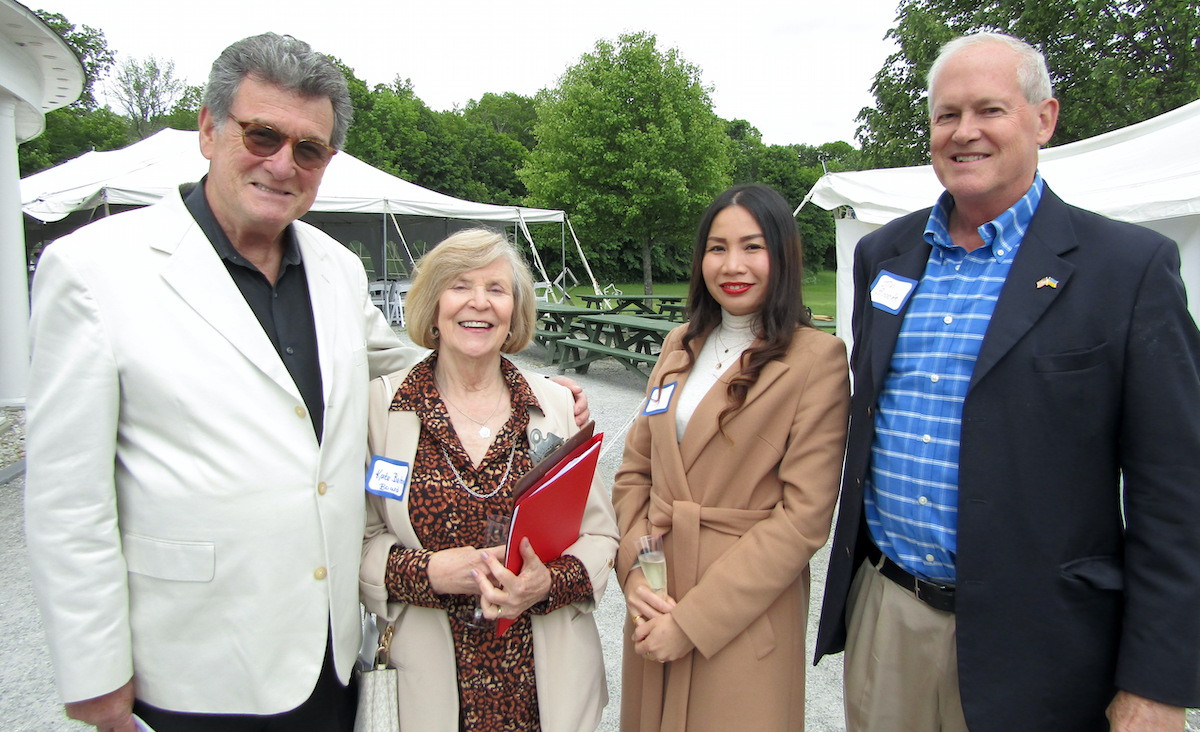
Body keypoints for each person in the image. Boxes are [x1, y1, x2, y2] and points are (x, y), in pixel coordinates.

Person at [24, 33, 587, 732]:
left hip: (328, 655)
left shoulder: (333, 266)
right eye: (261, 135)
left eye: (309, 149)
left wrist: (532, 384)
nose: (283, 163)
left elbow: (399, 357)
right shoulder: (96, 269)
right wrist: (94, 675)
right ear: (207, 128)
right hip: (193, 662)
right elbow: (65, 501)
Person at [814, 32, 1200, 732]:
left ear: (1043, 118)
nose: (964, 133)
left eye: (989, 110)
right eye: (945, 115)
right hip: (888, 614)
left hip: (1039, 640)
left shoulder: (1127, 269)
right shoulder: (884, 256)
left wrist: (1155, 681)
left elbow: (1176, 492)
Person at [358, 228, 618, 731]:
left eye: (497, 289)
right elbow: (357, 539)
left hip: (543, 689)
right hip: (426, 686)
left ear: (514, 313)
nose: (479, 302)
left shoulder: (556, 407)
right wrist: (431, 572)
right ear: (433, 304)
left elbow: (601, 533)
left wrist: (546, 584)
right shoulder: (379, 408)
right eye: (460, 285)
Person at [612, 184, 850, 730]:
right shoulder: (680, 345)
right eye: (717, 248)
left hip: (737, 615)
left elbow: (803, 519)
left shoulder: (818, 360)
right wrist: (637, 575)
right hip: (657, 593)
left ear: (783, 254)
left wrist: (693, 622)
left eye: (752, 246)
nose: (732, 264)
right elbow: (634, 474)